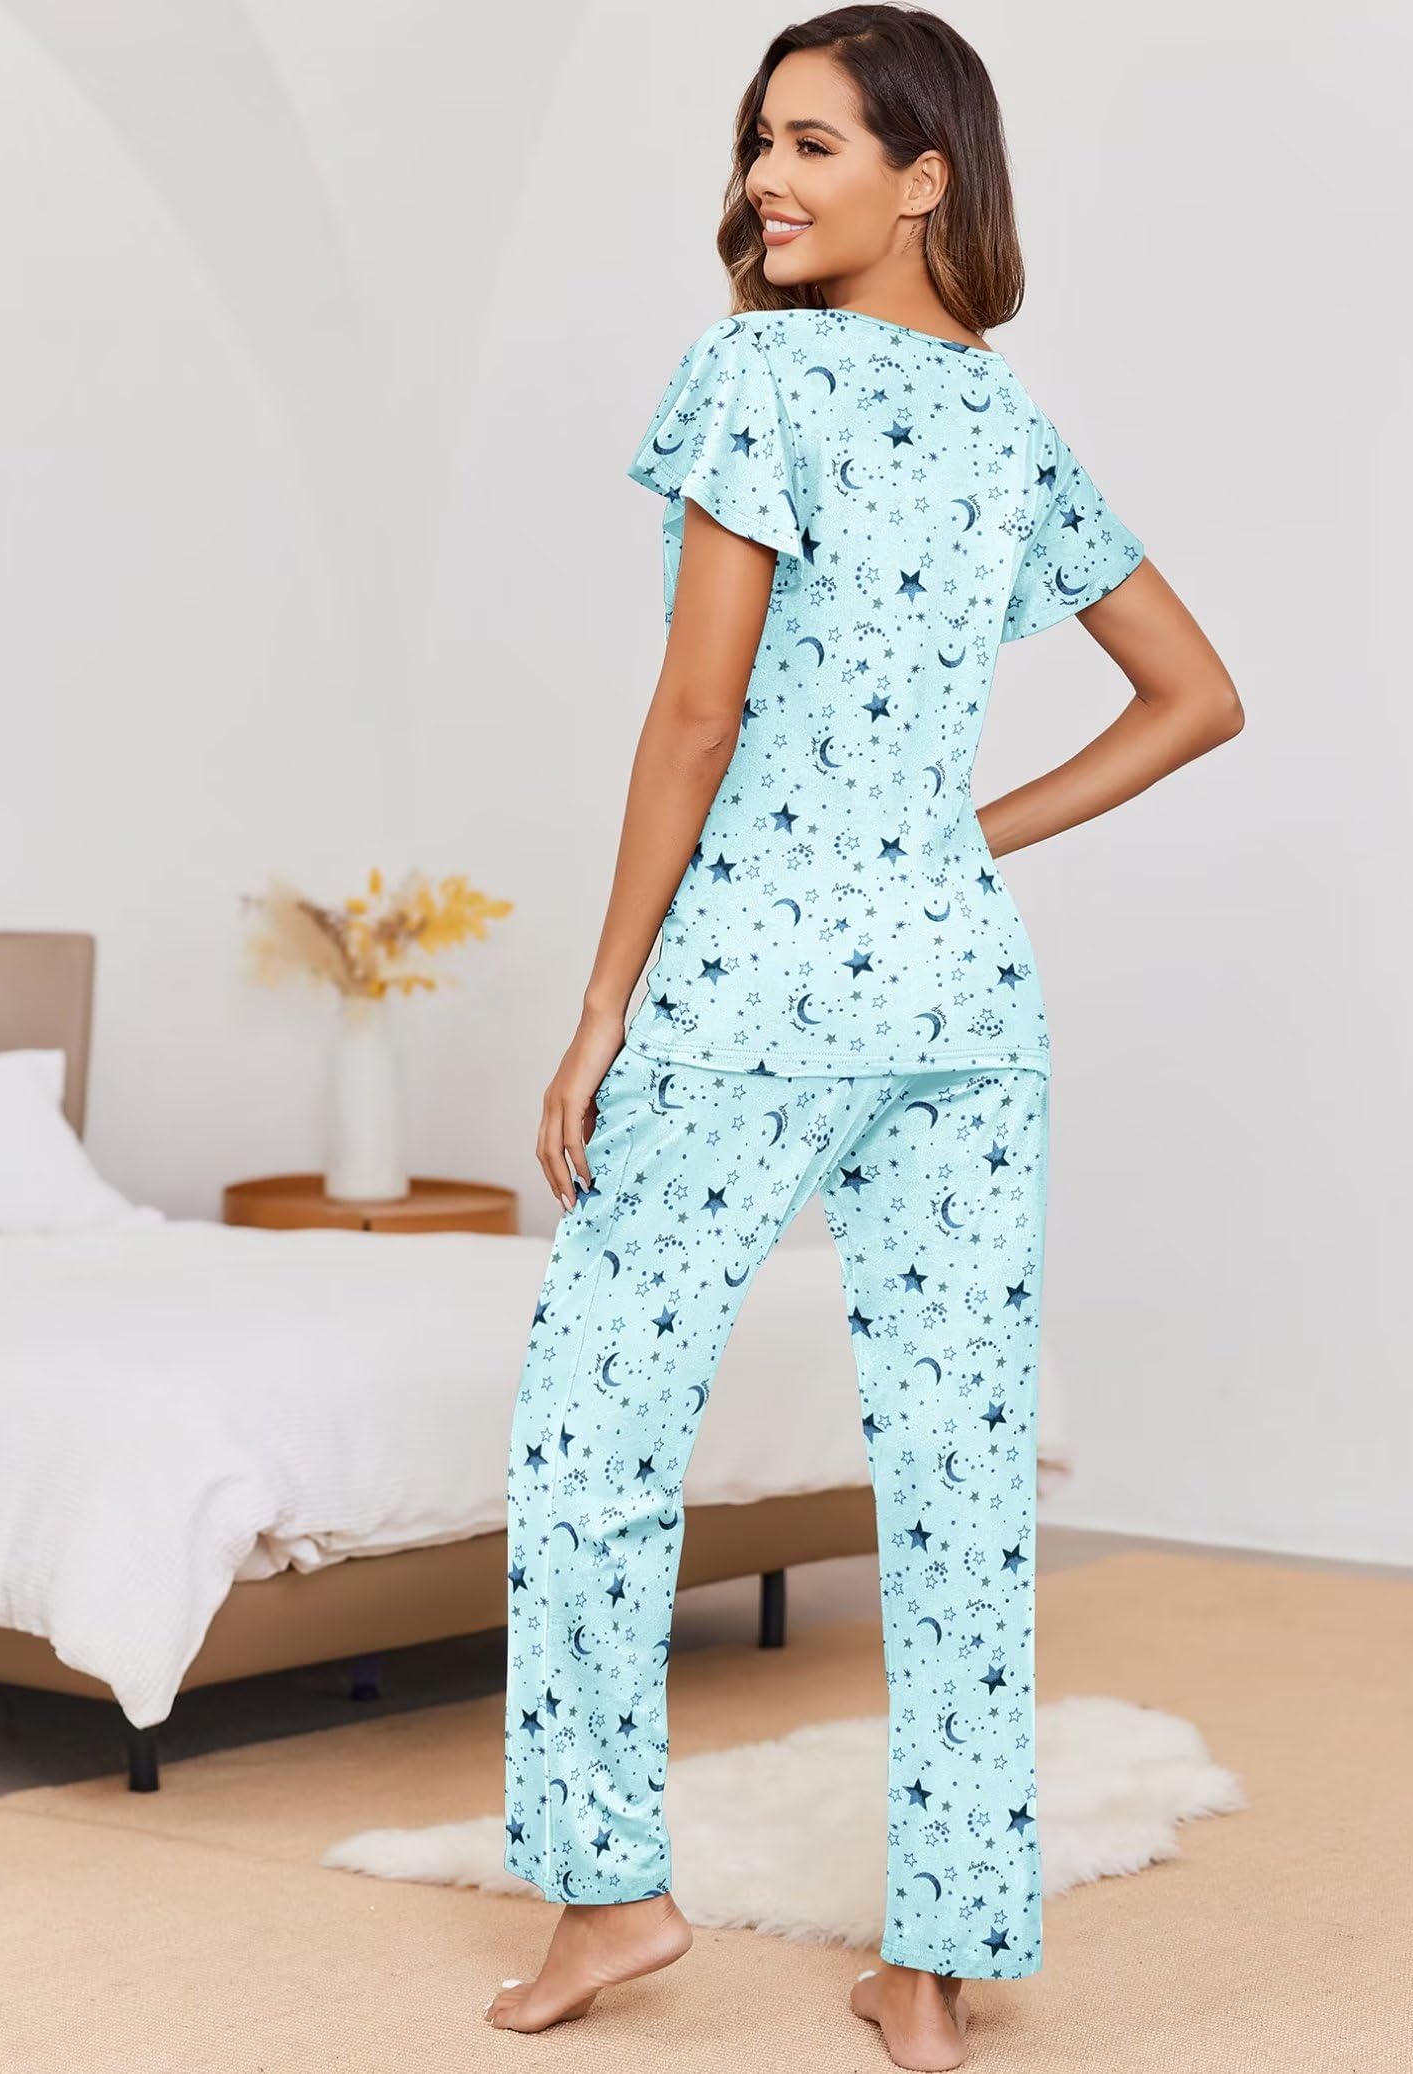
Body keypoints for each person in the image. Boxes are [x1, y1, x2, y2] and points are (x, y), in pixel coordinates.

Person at [485, 6, 1243, 2065]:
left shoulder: (753, 372)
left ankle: (606, 1893)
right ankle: (937, 1961)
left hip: (753, 979)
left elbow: (696, 712)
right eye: (759, 142)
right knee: (960, 1472)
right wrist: (954, 840)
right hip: (961, 996)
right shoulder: (1004, 420)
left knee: (591, 1442)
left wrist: (600, 999)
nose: (764, 179)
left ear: (926, 177)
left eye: (812, 142)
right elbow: (1197, 695)